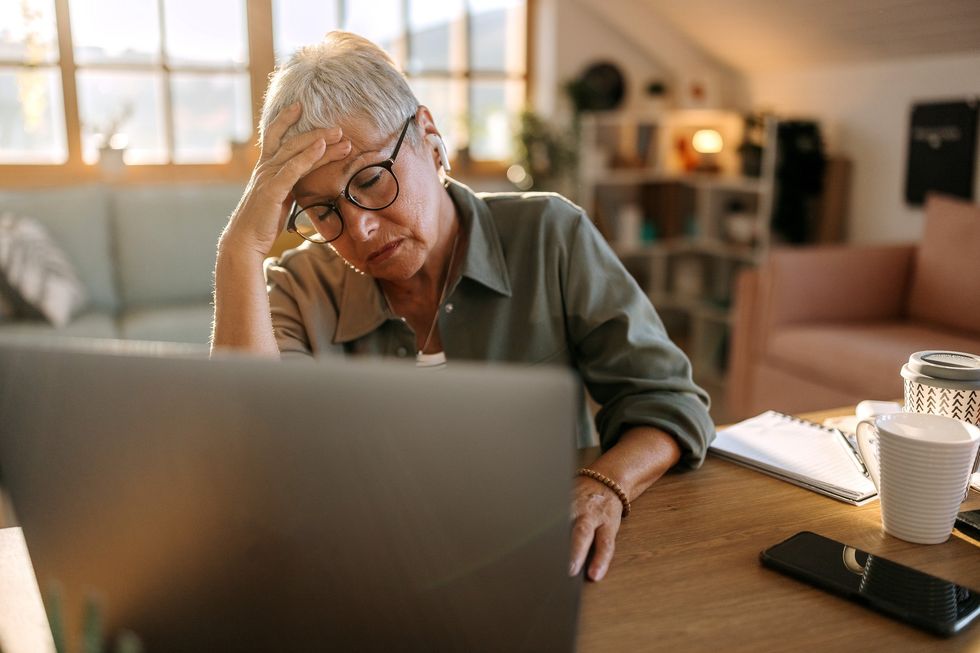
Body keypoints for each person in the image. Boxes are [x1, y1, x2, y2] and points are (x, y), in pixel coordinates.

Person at [212, 31, 713, 582]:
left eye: (372, 180)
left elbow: (667, 400)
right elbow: (250, 460)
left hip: (542, 558)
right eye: (323, 211)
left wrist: (605, 485)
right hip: (371, 570)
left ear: (428, 136)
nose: (361, 227)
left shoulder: (550, 234)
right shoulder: (298, 286)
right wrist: (239, 249)